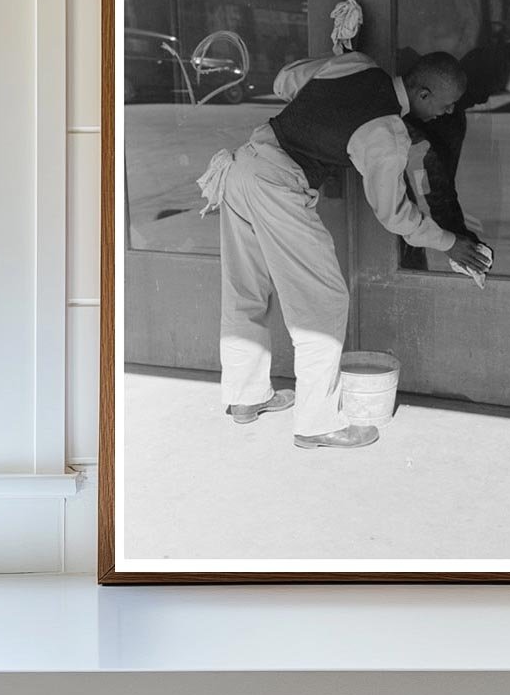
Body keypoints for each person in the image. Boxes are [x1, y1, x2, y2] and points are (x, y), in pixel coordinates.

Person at [197, 47, 490, 450]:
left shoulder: (355, 65)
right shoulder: (387, 133)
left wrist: (319, 116)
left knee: (245, 291)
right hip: (278, 186)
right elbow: (395, 216)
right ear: (422, 95)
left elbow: (286, 79)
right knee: (323, 303)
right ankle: (317, 423)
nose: (447, 113)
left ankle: (246, 398)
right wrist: (449, 243)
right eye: (446, 104)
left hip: (242, 168)